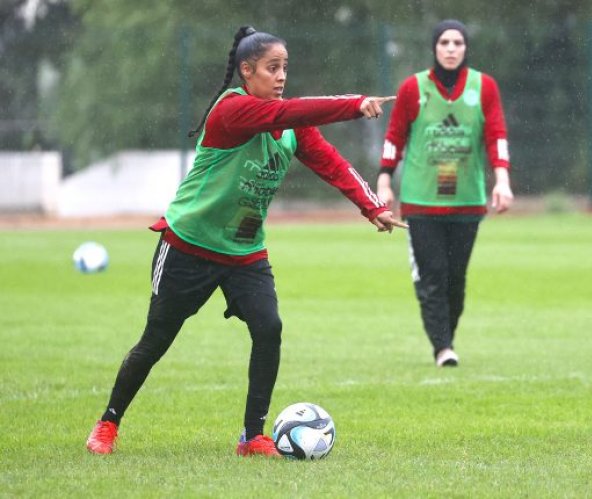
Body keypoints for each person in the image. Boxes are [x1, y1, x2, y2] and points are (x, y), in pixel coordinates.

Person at [85, 26, 406, 457]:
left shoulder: (290, 125)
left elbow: (331, 161)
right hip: (189, 244)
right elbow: (284, 114)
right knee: (156, 340)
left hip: (244, 250)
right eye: (272, 68)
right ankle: (108, 424)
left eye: (285, 68)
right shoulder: (231, 110)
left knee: (269, 328)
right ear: (246, 70)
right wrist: (353, 105)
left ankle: (252, 436)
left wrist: (372, 207)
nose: (281, 77)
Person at [377, 20, 514, 367]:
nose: (451, 49)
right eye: (444, 42)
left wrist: (502, 180)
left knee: (456, 280)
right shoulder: (412, 88)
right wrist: (383, 179)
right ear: (434, 48)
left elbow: (496, 136)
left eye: (457, 43)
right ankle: (443, 348)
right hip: (421, 201)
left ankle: (446, 339)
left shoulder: (484, 87)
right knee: (433, 275)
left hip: (467, 200)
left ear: (465, 48)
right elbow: (395, 137)